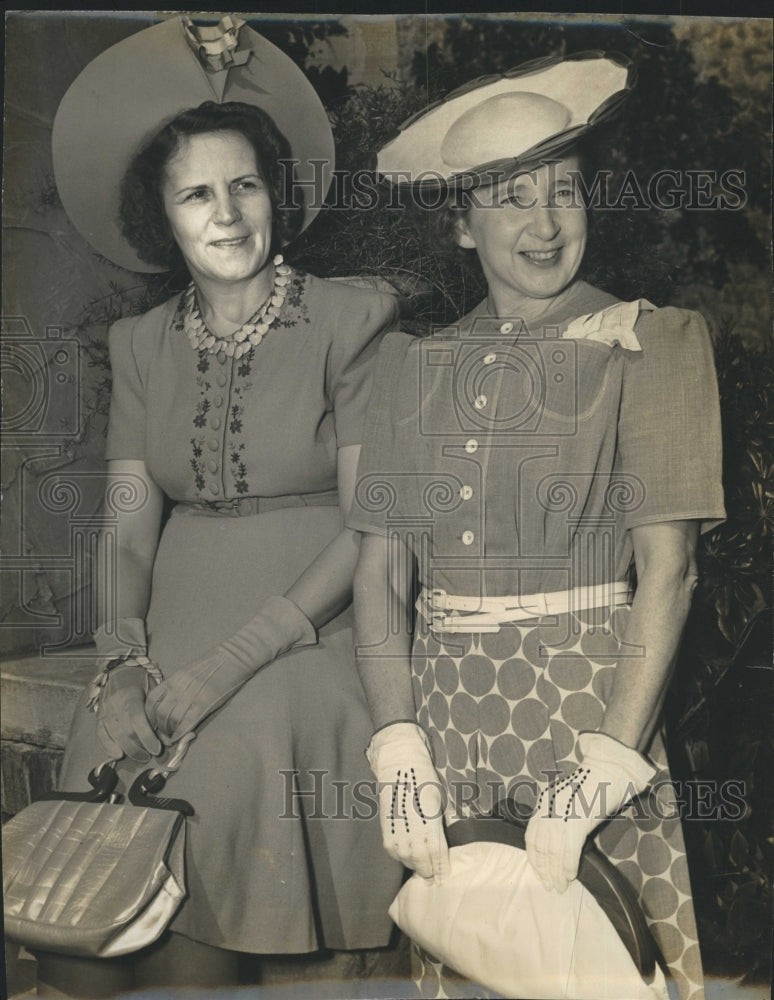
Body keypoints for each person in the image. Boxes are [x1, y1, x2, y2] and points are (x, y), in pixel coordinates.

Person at [36, 16, 402, 997]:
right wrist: (120, 656)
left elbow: (374, 519)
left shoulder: (350, 319)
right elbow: (126, 518)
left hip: (308, 637)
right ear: (164, 216)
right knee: (98, 860)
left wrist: (227, 665)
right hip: (168, 640)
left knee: (216, 804)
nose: (227, 213)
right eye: (197, 192)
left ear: (273, 194)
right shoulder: (140, 344)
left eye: (243, 185)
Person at [348, 53, 725, 1000]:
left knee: (594, 965)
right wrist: (396, 746)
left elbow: (668, 574)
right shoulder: (410, 366)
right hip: (444, 725)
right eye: (511, 199)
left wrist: (607, 764)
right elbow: (380, 576)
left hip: (589, 715)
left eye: (564, 192)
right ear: (462, 224)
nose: (547, 224)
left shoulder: (648, 343)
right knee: (475, 957)